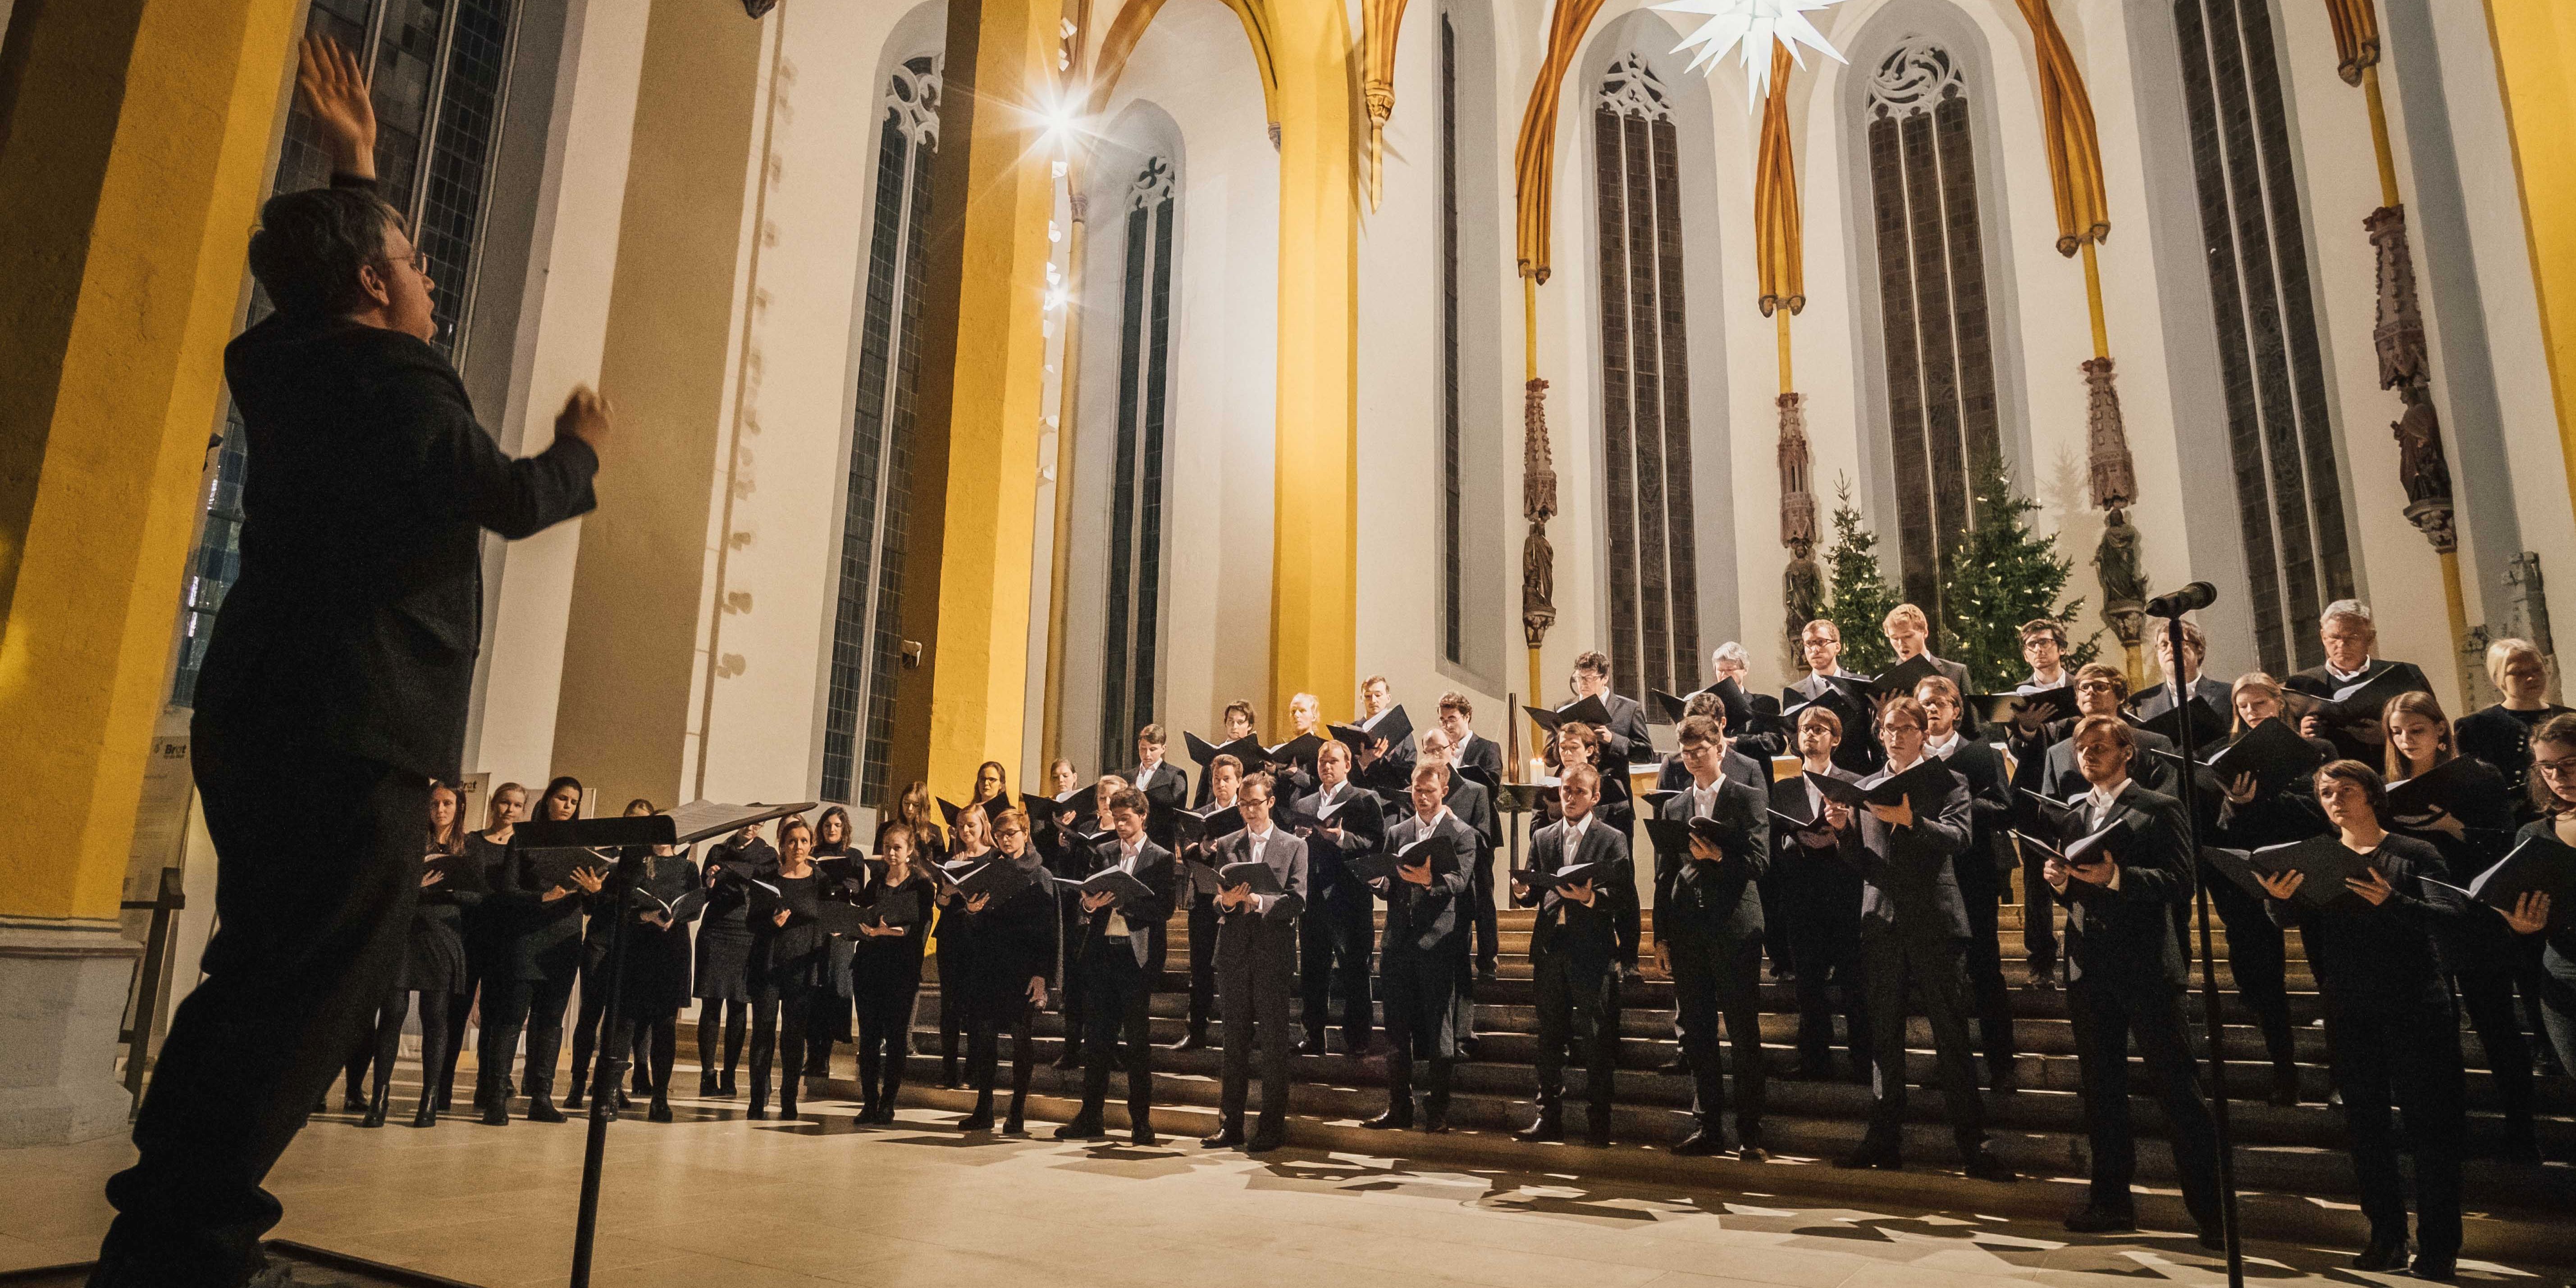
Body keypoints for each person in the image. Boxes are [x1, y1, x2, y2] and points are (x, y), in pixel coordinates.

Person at [93, 37, 607, 1285]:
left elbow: (334, 292)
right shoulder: (400, 386)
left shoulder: (286, 366)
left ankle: (168, 1220)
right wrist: (581, 448)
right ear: (375, 287)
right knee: (312, 987)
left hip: (262, 706)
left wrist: (356, 168)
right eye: (414, 263)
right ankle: (193, 1239)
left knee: (259, 966)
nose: (430, 281)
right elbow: (515, 495)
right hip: (355, 725)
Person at [2256, 761, 2465, 1279]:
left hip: (2416, 1004)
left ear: (2372, 794)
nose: (2334, 799)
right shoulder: (2319, 858)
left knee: (2429, 1129)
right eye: (2325, 792)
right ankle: (2386, 1236)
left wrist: (2394, 901)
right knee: (2366, 1127)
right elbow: (2291, 918)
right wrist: (2277, 901)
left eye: (2345, 790)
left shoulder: (2414, 853)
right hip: (2350, 1007)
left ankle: (2438, 1245)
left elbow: (2452, 918)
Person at [2043, 717, 2223, 1244]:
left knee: (2178, 1089)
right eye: (2081, 748)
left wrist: (2117, 877)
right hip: (2087, 965)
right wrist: (2059, 883)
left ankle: (2212, 1214)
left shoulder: (2159, 807)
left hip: (2145, 964)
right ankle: (2110, 1202)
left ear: (2128, 753)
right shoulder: (2073, 812)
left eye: (2099, 747)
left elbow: (2181, 880)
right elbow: (2073, 889)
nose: (2087, 754)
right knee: (2101, 1090)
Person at [1836, 697, 2015, 1182]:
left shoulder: (1947, 780)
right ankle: (1882, 1139)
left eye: (1903, 728)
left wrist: (1911, 820)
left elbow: (1959, 838)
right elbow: (1864, 864)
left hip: (1936, 921)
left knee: (1951, 1035)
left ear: (1921, 731)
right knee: (1884, 1036)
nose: (1893, 736)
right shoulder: (1867, 786)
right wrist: (1842, 833)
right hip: (1882, 920)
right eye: (1887, 728)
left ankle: (1973, 1144)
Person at [2382, 692, 2539, 1162]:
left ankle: (2521, 1131)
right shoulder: (2386, 786)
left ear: (2440, 730)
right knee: (2432, 1034)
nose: (2406, 739)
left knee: (2496, 1026)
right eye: (2397, 731)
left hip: (2473, 918)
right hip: (2417, 917)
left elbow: (2505, 847)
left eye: (2416, 729)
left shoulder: (2477, 776)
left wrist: (2455, 829)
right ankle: (2447, 1132)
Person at [1648, 716, 1771, 1160]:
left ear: (1719, 749)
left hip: (1735, 926)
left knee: (1743, 1032)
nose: (1693, 757)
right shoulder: (1674, 806)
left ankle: (1750, 1131)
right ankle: (1707, 1125)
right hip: (1687, 930)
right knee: (1698, 1033)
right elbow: (1664, 876)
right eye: (1686, 751)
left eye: (1700, 749)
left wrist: (1719, 854)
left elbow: (1759, 862)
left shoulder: (1746, 797)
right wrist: (1660, 935)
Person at [2206, 672, 2328, 1105]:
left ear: (2279, 704)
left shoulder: (2315, 752)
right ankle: (2284, 1073)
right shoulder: (2226, 756)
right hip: (2255, 873)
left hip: (2308, 866)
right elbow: (2220, 827)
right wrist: (2235, 804)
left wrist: (2264, 797)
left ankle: (2340, 1076)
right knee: (2263, 980)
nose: (2252, 712)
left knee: (2328, 973)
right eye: (2243, 706)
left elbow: (2323, 813)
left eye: (2260, 703)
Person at [1513, 765, 1631, 1147]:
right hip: (1551, 947)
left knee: (1595, 1039)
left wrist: (1591, 898)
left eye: (1579, 791)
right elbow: (1535, 890)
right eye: (1566, 789)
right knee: (1549, 1038)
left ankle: (1599, 1123)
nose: (1570, 796)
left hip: (1592, 950)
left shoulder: (1611, 838)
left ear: (1595, 797)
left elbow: (1623, 897)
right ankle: (1549, 1117)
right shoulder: (1544, 835)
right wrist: (1520, 891)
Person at [353, 783, 483, 1128]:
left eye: (447, 804)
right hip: (404, 935)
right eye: (434, 803)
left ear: (460, 807)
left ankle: (429, 1101)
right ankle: (379, 1099)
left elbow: (480, 898)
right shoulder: (410, 841)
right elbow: (383, 886)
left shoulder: (469, 847)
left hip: (442, 937)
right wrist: (417, 887)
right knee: (392, 1014)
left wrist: (449, 888)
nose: (440, 810)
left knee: (435, 1017)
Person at [1365, 765, 1481, 1133]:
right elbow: (1389, 885)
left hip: (1437, 942)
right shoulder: (1398, 831)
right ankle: (1399, 1106)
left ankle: (1438, 1111)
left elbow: (1461, 882)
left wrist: (1432, 881)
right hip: (1398, 942)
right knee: (1397, 1032)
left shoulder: (1462, 833)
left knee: (1438, 1030)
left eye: (1430, 791)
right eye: (1417, 790)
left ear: (1444, 789)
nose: (1423, 797)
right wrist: (1376, 880)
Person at [480, 776, 602, 1125]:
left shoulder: (584, 844)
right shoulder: (524, 837)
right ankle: (496, 1098)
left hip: (563, 943)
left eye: (574, 801)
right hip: (525, 939)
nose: (568, 806)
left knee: (550, 1023)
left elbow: (591, 905)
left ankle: (542, 1097)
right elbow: (505, 890)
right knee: (510, 1020)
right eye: (562, 798)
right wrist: (541, 898)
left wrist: (593, 890)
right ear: (548, 800)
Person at [1058, 789, 1177, 1145]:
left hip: (1136, 959)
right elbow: (1087, 901)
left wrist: (1126, 904)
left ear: (1143, 817)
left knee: (1137, 1044)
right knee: (1097, 1042)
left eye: (1126, 818)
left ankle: (1141, 1121)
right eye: (1115, 817)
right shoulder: (1103, 852)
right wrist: (1091, 905)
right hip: (1102, 955)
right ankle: (1090, 1117)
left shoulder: (1161, 858)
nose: (1120, 825)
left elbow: (1165, 909)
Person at [1917, 676, 2018, 1093]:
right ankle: (1951, 1063)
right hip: (1930, 878)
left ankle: (2002, 1065)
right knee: (1943, 979)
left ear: (1957, 710)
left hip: (1974, 874)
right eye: (1924, 703)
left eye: (1941, 702)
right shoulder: (1913, 755)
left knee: (1985, 971)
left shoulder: (1978, 753)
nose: (1932, 709)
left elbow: (2005, 808)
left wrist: (1956, 801)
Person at [1203, 775, 1308, 1152]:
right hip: (1233, 953)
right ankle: (1229, 1124)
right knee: (1233, 1043)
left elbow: (1297, 899)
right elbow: (1217, 901)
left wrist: (1259, 902)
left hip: (1272, 954)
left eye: (1256, 803)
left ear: (1271, 802)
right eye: (1244, 804)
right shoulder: (1229, 844)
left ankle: (1270, 1127)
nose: (1249, 810)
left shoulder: (1294, 845)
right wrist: (1229, 901)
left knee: (1273, 1044)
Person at [1772, 705, 1869, 1082]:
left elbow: (1869, 838)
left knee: (1852, 980)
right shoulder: (1785, 788)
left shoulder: (1853, 783)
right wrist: (1795, 840)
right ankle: (1814, 1058)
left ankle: (1863, 1059)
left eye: (1818, 729)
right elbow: (1775, 837)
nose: (1810, 735)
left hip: (1844, 890)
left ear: (1836, 739)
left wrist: (1841, 834)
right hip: (1802, 894)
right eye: (1804, 729)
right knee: (1808, 984)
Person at [955, 808, 1058, 1134]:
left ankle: (1017, 1111)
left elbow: (1050, 932)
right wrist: (971, 912)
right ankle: (984, 1108)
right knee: (983, 1039)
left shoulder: (1041, 875)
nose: (1006, 840)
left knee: (1020, 1040)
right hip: (989, 965)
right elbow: (978, 927)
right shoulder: (990, 870)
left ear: (1026, 833)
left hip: (1023, 969)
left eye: (1012, 833)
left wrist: (1042, 975)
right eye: (1000, 836)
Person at [566, 797, 661, 1113]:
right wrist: (593, 893)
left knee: (623, 1021)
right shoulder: (606, 854)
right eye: (632, 818)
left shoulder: (652, 861)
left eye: (644, 820)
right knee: (590, 1015)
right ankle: (578, 1085)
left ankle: (611, 1086)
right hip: (601, 940)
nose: (637, 824)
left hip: (632, 945)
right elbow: (589, 906)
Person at [439, 781, 526, 1112]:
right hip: (469, 936)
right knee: (455, 1014)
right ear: (493, 803)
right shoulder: (472, 842)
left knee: (494, 1018)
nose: (510, 810)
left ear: (523, 810)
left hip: (505, 940)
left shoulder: (522, 847)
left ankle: (487, 1089)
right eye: (505, 802)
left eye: (517, 805)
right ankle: (441, 1089)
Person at [617, 807, 701, 1124]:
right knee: (625, 1021)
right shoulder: (635, 863)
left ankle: (660, 1098)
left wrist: (676, 915)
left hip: (672, 948)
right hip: (639, 946)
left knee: (665, 1025)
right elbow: (621, 906)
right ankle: (613, 1090)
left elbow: (694, 907)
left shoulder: (687, 867)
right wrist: (645, 916)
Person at [1294, 740, 1376, 1056]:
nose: (1327, 767)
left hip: (1350, 896)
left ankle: (1357, 1039)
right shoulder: (1305, 803)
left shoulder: (1364, 800)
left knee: (1355, 970)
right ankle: (1313, 1034)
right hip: (1314, 896)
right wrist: (1300, 840)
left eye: (1333, 762)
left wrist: (1341, 837)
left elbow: (1374, 843)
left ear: (1348, 765)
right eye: (1322, 762)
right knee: (1313, 970)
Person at [2504, 714, 2576, 1076]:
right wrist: (2522, 925)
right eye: (2547, 768)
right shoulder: (2533, 835)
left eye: (2570, 764)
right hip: (2564, 978)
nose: (2558, 778)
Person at [744, 816, 828, 1120]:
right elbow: (751, 921)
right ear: (782, 843)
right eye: (792, 841)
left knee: (794, 1036)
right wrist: (771, 922)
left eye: (804, 841)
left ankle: (789, 1098)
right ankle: (757, 1097)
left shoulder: (820, 880)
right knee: (763, 1033)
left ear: (811, 844)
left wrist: (819, 966)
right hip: (768, 964)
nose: (798, 846)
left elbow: (825, 922)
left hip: (802, 967)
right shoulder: (768, 878)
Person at [850, 822, 934, 1123]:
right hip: (870, 966)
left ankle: (888, 1102)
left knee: (897, 1039)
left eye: (897, 847)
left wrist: (893, 931)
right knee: (869, 1038)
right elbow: (864, 915)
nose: (891, 853)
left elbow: (924, 925)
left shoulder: (922, 884)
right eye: (887, 847)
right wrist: (856, 927)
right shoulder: (876, 883)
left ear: (910, 850)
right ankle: (869, 1102)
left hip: (901, 968)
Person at [2284, 600, 2433, 763]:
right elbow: (2289, 752)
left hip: (2396, 770)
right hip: (2334, 780)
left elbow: (2436, 727)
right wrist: (2303, 734)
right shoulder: (2301, 685)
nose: (2342, 645)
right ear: (2323, 637)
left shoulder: (2404, 675)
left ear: (2370, 637)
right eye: (2334, 637)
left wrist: (2389, 735)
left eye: (2352, 637)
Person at [693, 819, 775, 1097]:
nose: (752, 829)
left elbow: (767, 889)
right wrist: (710, 881)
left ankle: (729, 1075)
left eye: (759, 825)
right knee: (711, 1003)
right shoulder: (717, 851)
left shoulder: (767, 855)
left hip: (747, 931)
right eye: (748, 823)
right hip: (716, 929)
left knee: (739, 1006)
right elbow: (703, 894)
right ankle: (707, 1075)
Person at [1171, 755, 1246, 1050]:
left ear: (1239, 782)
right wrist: (1202, 847)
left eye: (1227, 779)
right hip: (1204, 899)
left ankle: (1237, 1034)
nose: (1221, 785)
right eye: (1216, 779)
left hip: (1238, 901)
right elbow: (1185, 850)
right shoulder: (1199, 815)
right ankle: (1196, 1030)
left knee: (1236, 971)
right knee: (1200, 969)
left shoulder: (1246, 813)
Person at [2456, 638, 2572, 826]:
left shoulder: (2568, 719)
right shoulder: (2476, 727)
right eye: (2518, 672)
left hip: (2567, 820)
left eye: (2537, 669)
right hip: (2509, 827)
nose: (2531, 677)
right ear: (2498, 679)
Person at [798, 806, 862, 1093]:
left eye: (837, 825)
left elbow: (859, 889)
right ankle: (814, 1055)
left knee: (836, 987)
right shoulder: (814, 855)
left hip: (841, 927)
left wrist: (843, 885)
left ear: (844, 828)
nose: (831, 830)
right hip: (816, 924)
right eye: (827, 825)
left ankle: (826, 1052)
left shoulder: (854, 856)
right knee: (814, 987)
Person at [933, 806, 996, 1085]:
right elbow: (941, 903)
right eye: (961, 826)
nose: (966, 831)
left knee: (976, 1005)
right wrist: (947, 891)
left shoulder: (995, 858)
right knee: (950, 1005)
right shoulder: (951, 859)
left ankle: (973, 1070)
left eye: (971, 825)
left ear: (984, 825)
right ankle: (948, 1071)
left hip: (981, 936)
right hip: (952, 934)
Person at [1788, 620, 1883, 776]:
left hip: (1859, 774)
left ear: (1837, 646)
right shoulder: (1794, 692)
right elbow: (1794, 745)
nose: (1815, 649)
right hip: (1817, 775)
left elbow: (1873, 740)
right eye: (1809, 644)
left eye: (1821, 642)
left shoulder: (1860, 686)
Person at [2133, 617, 2232, 723]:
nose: (2171, 649)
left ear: (2200, 652)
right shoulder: (2141, 702)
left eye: (2178, 643)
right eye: (2164, 645)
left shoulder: (2229, 694)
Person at [1567, 651, 1654, 766]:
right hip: (1573, 780)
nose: (1583, 683)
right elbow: (1549, 760)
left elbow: (1646, 755)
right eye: (1579, 678)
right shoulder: (1564, 708)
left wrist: (1613, 739)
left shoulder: (1629, 709)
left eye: (1589, 678)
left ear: (1605, 678)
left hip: (1610, 781)